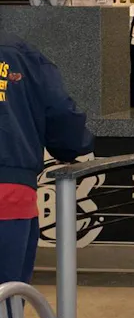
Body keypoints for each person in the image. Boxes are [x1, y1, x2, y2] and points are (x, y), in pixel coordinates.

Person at [0, 33, 94, 286]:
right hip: (9, 191)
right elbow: (61, 111)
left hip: (11, 186)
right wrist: (71, 147)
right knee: (8, 295)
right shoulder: (20, 54)